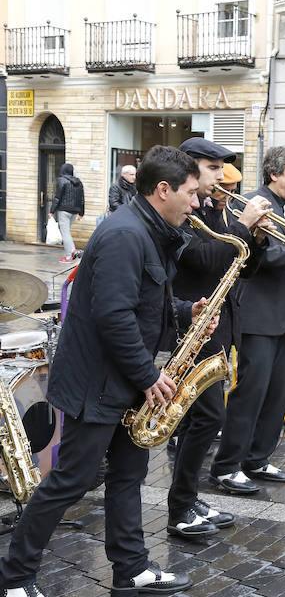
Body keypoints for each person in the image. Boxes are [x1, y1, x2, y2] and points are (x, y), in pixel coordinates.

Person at [0, 146, 207, 597]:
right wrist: (150, 377)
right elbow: (113, 316)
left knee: (129, 475)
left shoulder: (147, 231)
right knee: (70, 480)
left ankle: (131, 569)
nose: (196, 203)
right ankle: (14, 579)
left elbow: (142, 304)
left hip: (123, 382)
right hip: (99, 383)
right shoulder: (124, 235)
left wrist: (185, 310)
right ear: (163, 190)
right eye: (191, 193)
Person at [164, 139, 272, 539]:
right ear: (190, 169)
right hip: (192, 323)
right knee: (208, 416)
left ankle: (187, 497)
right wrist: (243, 226)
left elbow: (243, 266)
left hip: (220, 323)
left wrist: (257, 238)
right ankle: (180, 505)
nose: (222, 175)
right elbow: (205, 260)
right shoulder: (188, 214)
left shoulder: (217, 210)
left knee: (201, 417)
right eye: (213, 167)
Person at [209, 146, 285, 494]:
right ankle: (226, 465)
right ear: (274, 174)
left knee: (276, 393)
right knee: (250, 391)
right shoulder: (252, 202)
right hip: (258, 312)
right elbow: (260, 254)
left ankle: (258, 458)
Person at [51, 162, 85, 262]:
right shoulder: (79, 182)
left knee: (65, 233)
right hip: (74, 211)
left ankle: (70, 254)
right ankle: (70, 253)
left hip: (64, 210)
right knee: (66, 233)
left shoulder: (61, 180)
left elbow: (57, 197)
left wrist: (52, 211)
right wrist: (81, 213)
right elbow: (82, 199)